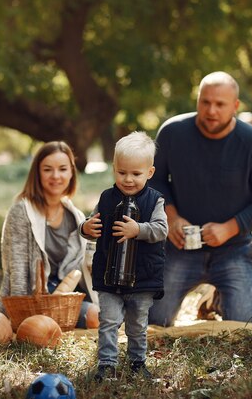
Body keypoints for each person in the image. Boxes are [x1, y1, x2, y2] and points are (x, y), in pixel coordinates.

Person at [147, 71, 252, 327]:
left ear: (235, 106)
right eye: (205, 102)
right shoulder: (172, 133)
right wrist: (172, 218)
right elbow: (154, 180)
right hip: (180, 247)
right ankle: (211, 295)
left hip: (234, 249)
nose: (211, 110)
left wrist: (230, 228)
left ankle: (218, 299)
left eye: (220, 104)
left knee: (244, 327)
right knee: (155, 321)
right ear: (197, 100)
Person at [81, 131, 167, 381]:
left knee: (137, 325)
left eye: (136, 174)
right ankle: (107, 364)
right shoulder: (107, 198)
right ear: (114, 169)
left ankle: (137, 362)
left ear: (149, 173)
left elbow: (162, 230)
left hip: (142, 276)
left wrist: (138, 229)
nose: (128, 179)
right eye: (122, 172)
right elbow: (92, 223)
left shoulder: (155, 201)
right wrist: (86, 228)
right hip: (109, 274)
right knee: (108, 321)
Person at [0, 141, 98, 328]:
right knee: (39, 329)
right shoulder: (21, 212)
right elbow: (17, 269)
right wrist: (18, 316)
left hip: (64, 300)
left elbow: (82, 266)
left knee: (97, 316)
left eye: (63, 169)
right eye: (48, 169)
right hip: (33, 299)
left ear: (71, 173)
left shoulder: (76, 216)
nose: (56, 176)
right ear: (37, 173)